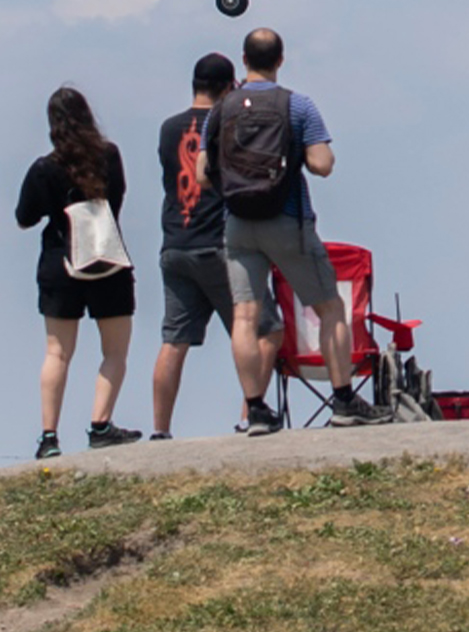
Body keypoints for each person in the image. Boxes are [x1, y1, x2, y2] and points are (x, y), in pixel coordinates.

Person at [199, 28, 387, 432]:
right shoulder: (297, 106)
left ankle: (256, 410)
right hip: (287, 221)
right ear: (280, 60)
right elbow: (321, 163)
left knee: (245, 316)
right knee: (329, 307)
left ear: (244, 60)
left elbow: (202, 175)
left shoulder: (221, 110)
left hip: (237, 225)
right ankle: (343, 401)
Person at [151, 53, 284, 440]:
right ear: (228, 87)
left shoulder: (167, 128)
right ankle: (251, 414)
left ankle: (160, 429)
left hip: (175, 243)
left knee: (174, 340)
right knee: (264, 330)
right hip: (220, 245)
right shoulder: (227, 123)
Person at [16, 88, 141, 458]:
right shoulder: (110, 156)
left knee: (57, 353)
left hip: (60, 263)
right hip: (107, 260)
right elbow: (116, 200)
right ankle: (101, 425)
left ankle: (49, 437)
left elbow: (24, 217)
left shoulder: (44, 168)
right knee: (115, 350)